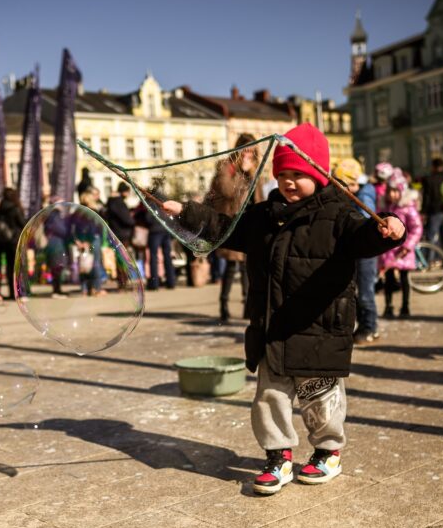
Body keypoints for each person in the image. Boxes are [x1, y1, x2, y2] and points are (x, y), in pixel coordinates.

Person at [163, 123, 406, 496]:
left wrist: (388, 230)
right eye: (283, 175)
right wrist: (186, 212)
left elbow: (364, 238)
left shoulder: (339, 214)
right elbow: (225, 227)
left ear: (318, 174)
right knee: (269, 398)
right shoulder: (264, 215)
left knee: (321, 399)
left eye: (299, 175)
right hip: (272, 326)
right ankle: (278, 457)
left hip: (319, 327)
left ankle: (328, 452)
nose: (289, 182)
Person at [207, 133, 258, 321]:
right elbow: (228, 191)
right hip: (230, 222)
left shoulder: (255, 170)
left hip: (249, 222)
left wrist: (251, 174)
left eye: (252, 151)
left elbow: (258, 197)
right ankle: (224, 306)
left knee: (247, 267)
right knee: (231, 266)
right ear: (238, 150)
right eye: (245, 151)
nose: (248, 155)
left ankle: (248, 306)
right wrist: (242, 173)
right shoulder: (226, 167)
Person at [334, 159, 381, 345]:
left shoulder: (363, 196)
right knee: (356, 291)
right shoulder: (358, 193)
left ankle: (369, 327)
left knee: (365, 293)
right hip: (357, 251)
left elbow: (366, 220)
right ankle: (363, 325)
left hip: (366, 252)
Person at [378, 175, 423, 319]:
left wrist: (408, 246)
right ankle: (388, 306)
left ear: (402, 191)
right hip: (388, 251)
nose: (392, 194)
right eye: (389, 191)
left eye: (395, 191)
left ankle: (405, 306)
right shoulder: (385, 207)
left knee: (404, 279)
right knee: (388, 279)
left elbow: (416, 228)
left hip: (403, 251)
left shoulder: (408, 208)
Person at [0, 187, 27, 299]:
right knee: (19, 267)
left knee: (10, 268)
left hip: (6, 241)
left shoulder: (0, 208)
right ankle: (20, 292)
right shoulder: (15, 208)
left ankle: (13, 293)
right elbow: (23, 223)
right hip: (16, 240)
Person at [104, 183, 135, 289]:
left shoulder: (111, 202)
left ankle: (122, 281)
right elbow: (127, 219)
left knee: (119, 258)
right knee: (122, 259)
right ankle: (123, 281)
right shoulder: (119, 203)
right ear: (124, 191)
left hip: (115, 233)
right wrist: (132, 220)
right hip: (122, 234)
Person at [419, 157, 443, 265]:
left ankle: (428, 260)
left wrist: (423, 211)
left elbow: (426, 197)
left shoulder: (429, 179)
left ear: (433, 167)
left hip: (434, 211)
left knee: (431, 236)